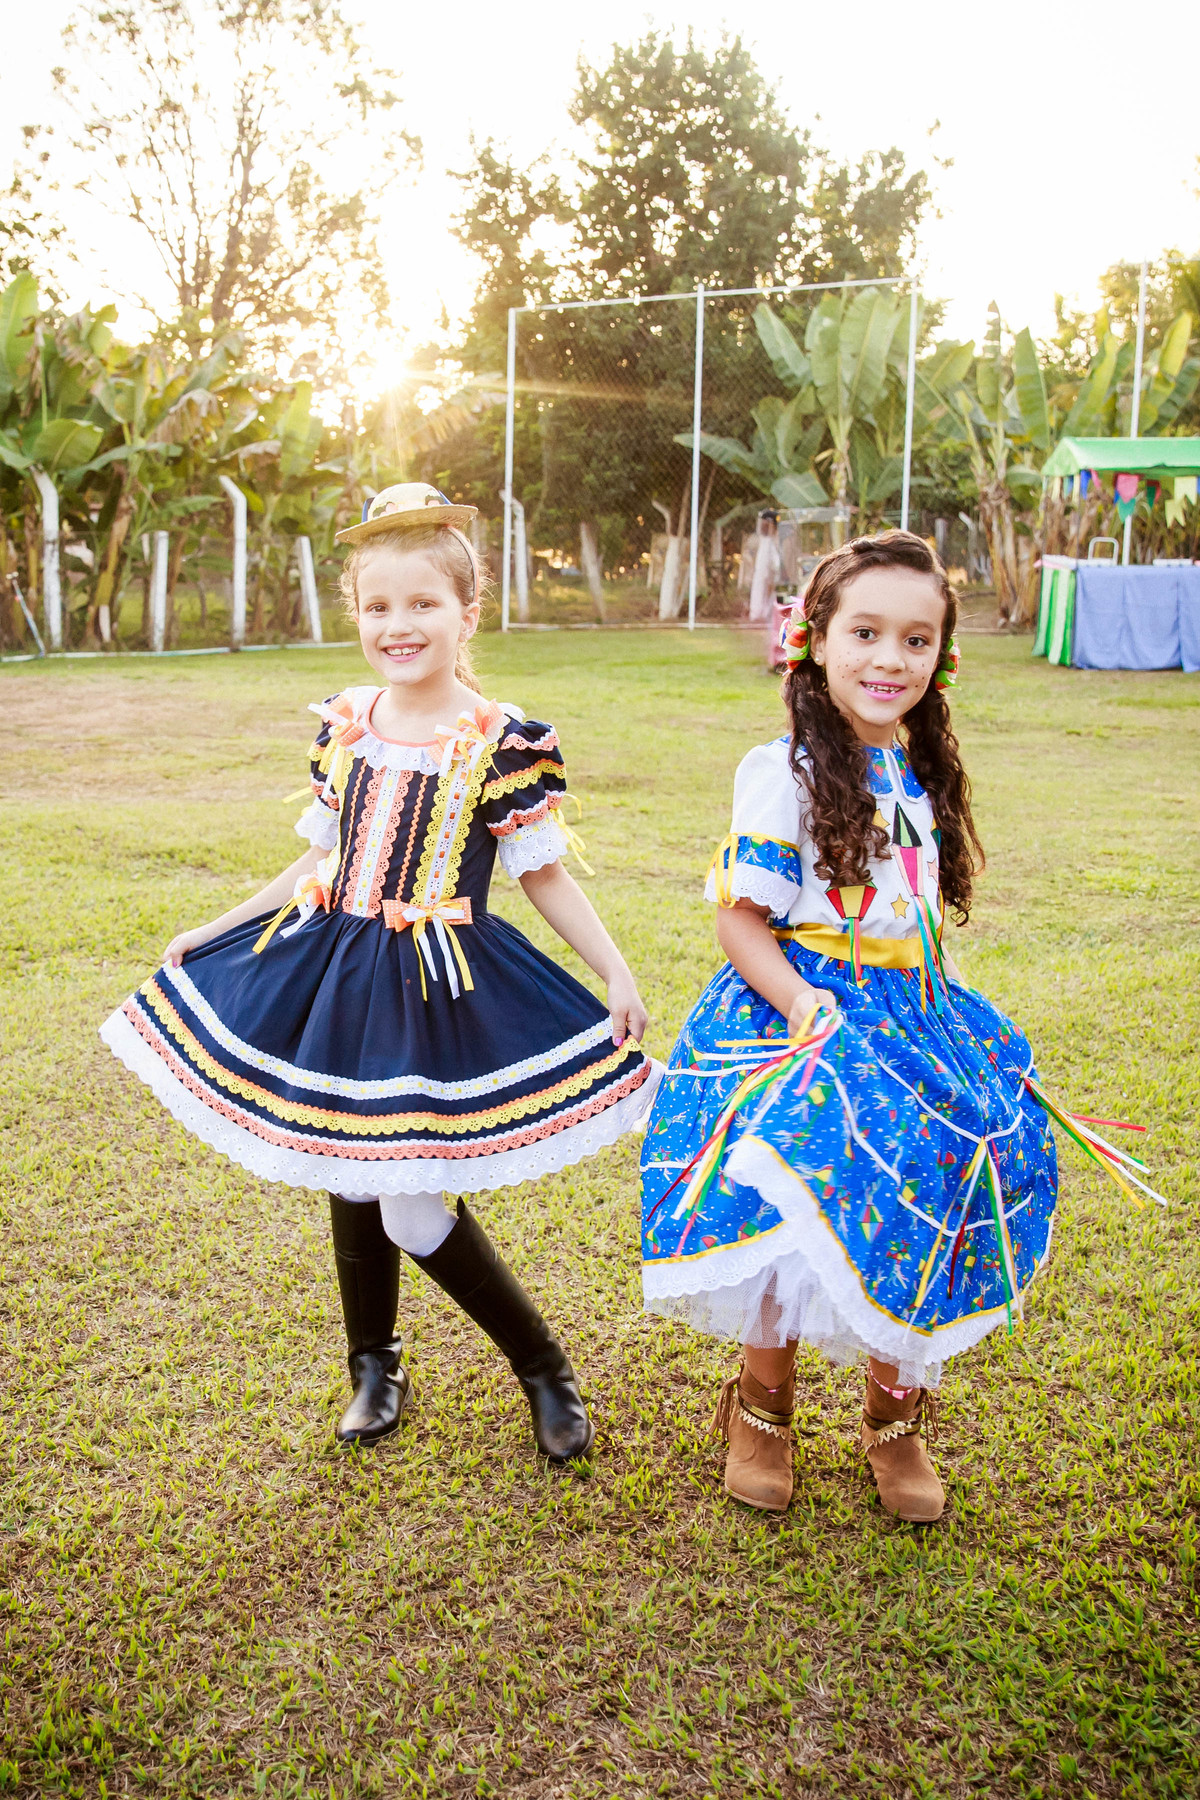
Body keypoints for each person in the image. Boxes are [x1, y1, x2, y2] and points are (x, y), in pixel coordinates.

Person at [103, 482, 656, 1465]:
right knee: (344, 1166)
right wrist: (217, 927)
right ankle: (375, 1365)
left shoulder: (498, 738)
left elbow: (542, 875)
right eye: (377, 606)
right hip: (331, 962)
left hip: (431, 982)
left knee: (404, 1195)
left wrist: (614, 971)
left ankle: (541, 1365)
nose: (398, 625)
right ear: (357, 615)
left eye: (423, 604)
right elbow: (320, 858)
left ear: (467, 613)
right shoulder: (349, 721)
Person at [640, 529, 1060, 1524]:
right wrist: (801, 1005)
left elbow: (910, 918)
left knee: (935, 1178)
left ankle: (894, 1418)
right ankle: (763, 1408)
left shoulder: (918, 773)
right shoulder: (781, 771)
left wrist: (941, 1012)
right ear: (815, 640)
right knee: (797, 1195)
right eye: (866, 633)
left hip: (910, 1015)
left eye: (917, 640)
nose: (890, 659)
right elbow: (742, 921)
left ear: (940, 657)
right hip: (801, 1011)